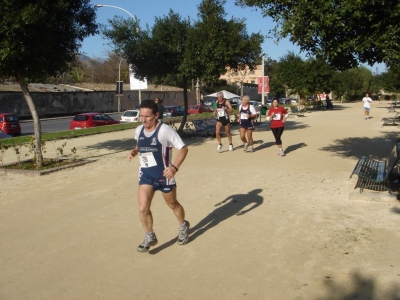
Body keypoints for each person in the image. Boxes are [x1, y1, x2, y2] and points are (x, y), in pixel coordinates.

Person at [127, 99, 189, 253]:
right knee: (143, 208)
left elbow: (183, 149)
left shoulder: (165, 131)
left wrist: (174, 168)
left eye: (147, 116)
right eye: (141, 116)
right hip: (146, 175)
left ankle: (183, 226)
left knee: (173, 204)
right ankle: (149, 236)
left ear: (156, 115)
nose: (144, 120)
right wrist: (135, 151)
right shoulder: (138, 130)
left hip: (164, 176)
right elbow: (139, 145)